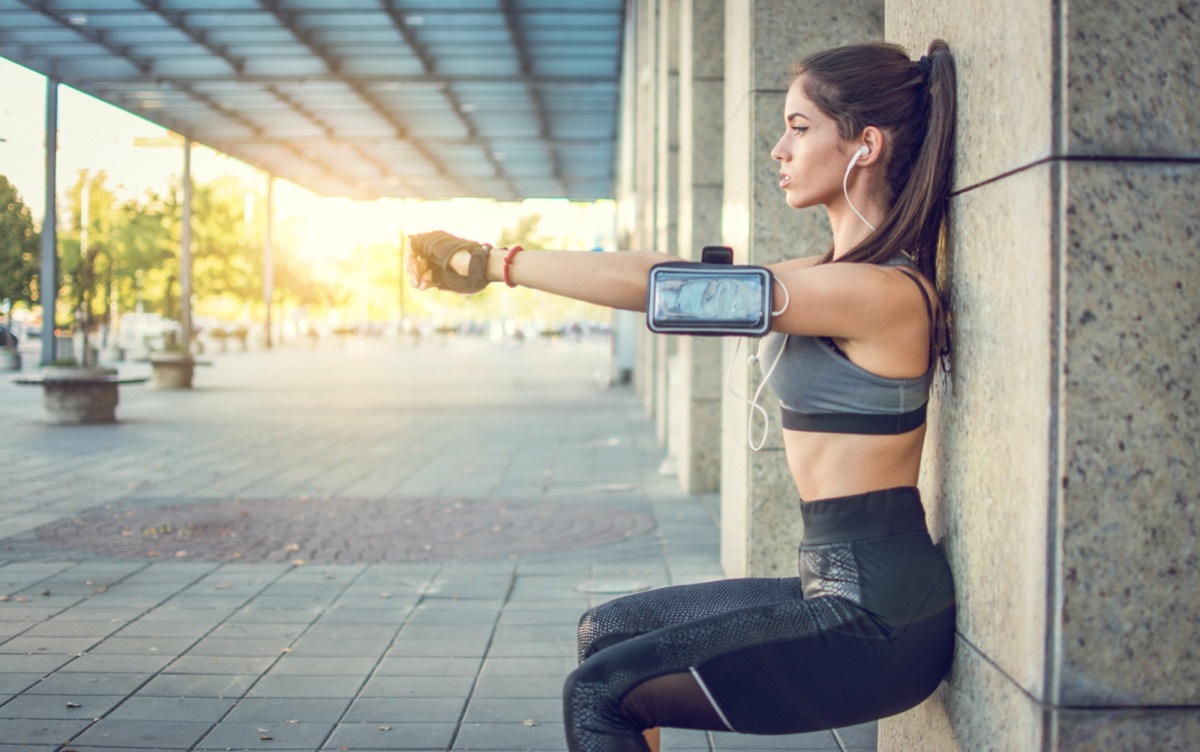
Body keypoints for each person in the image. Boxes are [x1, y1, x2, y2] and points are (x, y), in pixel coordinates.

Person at [408, 39, 957, 752]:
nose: (778, 151)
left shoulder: (879, 291)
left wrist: (495, 263)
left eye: (799, 128)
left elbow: (667, 287)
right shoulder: (833, 274)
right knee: (607, 633)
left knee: (600, 692)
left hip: (879, 620)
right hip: (834, 586)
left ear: (866, 146)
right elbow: (671, 281)